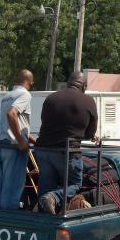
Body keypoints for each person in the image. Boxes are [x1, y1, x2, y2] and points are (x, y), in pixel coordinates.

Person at [35, 72, 98, 214]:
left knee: (45, 186)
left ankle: (43, 219)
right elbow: (90, 133)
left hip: (43, 149)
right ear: (84, 86)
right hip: (67, 151)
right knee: (74, 184)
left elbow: (44, 121)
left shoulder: (51, 98)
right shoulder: (88, 101)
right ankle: (53, 197)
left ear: (68, 83)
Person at [0, 69, 35, 210]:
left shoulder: (7, 95)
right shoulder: (25, 94)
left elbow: (14, 123)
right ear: (30, 82)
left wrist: (30, 138)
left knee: (0, 188)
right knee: (11, 189)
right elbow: (12, 114)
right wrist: (21, 141)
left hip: (0, 145)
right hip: (13, 148)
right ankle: (8, 219)